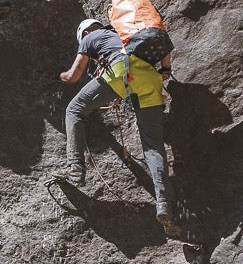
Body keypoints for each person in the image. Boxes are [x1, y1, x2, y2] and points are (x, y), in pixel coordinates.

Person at [56, 18, 175, 229]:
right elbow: (163, 48)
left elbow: (74, 76)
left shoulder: (90, 37)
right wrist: (165, 69)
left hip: (121, 72)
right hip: (149, 78)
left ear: (84, 33)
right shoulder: (126, 35)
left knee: (74, 110)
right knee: (153, 146)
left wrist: (62, 76)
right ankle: (164, 204)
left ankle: (75, 167)